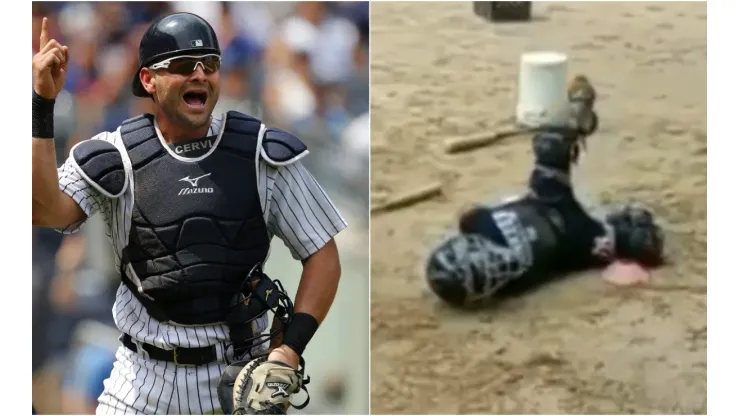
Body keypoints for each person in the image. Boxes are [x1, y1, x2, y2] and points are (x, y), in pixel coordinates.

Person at [32, 12, 347, 415]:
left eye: (210, 65)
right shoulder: (118, 155)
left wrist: (289, 350)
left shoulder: (257, 152)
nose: (199, 75)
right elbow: (45, 211)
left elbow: (323, 252)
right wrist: (42, 103)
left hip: (240, 381)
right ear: (148, 80)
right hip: (140, 381)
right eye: (183, 66)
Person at [424, 80, 665, 307]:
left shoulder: (480, 230)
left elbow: (469, 213)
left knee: (551, 144)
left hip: (545, 200)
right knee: (641, 241)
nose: (500, 266)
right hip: (572, 237)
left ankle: (580, 107)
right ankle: (579, 109)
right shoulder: (513, 284)